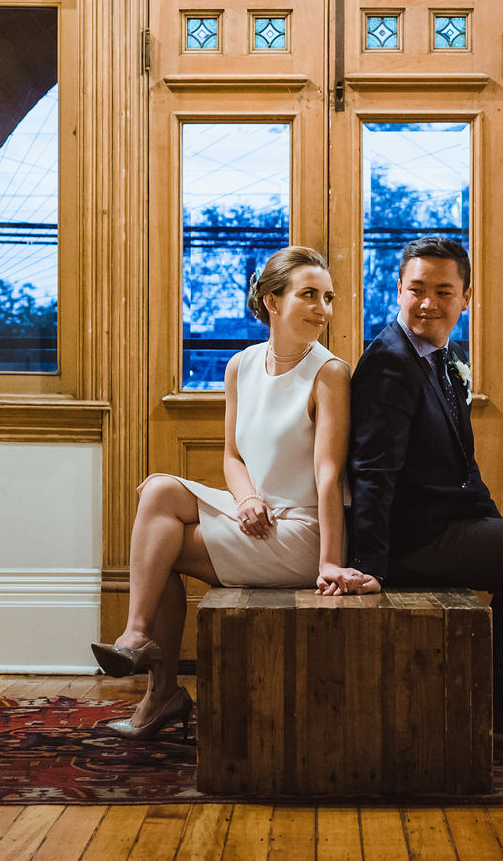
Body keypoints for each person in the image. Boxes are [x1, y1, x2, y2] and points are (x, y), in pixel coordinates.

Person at [90, 246, 379, 738]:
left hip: (302, 531)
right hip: (257, 513)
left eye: (328, 298)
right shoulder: (241, 366)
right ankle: (138, 639)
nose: (323, 310)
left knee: (160, 550)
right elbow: (233, 456)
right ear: (272, 301)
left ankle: (159, 690)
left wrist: (329, 561)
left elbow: (329, 473)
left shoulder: (330, 373)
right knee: (159, 490)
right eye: (309, 295)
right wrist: (246, 499)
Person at [347, 235, 503, 742]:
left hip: (448, 525)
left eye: (443, 291)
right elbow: (373, 470)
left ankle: (491, 694)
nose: (428, 303)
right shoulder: (390, 362)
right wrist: (370, 567)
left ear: (466, 297)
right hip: (411, 541)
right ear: (397, 291)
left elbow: (464, 464)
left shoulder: (443, 356)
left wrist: (494, 534)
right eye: (417, 289)